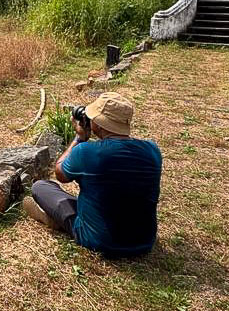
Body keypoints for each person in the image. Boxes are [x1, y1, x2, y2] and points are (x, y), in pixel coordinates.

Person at [22, 92, 162, 258]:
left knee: (41, 186)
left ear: (100, 125)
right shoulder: (152, 150)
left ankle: (57, 220)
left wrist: (79, 138)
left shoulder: (86, 152)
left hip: (100, 241)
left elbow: (60, 173)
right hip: (144, 241)